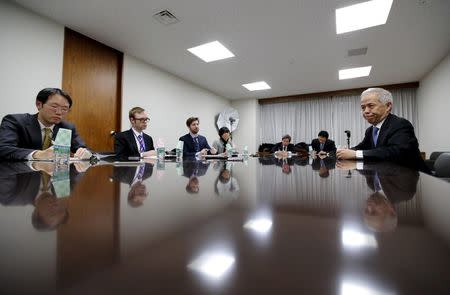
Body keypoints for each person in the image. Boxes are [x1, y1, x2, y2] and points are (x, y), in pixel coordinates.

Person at [336, 88, 428, 172]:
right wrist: (344, 152)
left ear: (388, 106)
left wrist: (355, 154)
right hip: (385, 177)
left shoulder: (400, 124)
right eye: (363, 108)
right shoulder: (370, 130)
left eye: (371, 106)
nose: (366, 111)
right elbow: (362, 147)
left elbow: (396, 152)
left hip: (412, 178)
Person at [0, 88, 91, 161]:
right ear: (39, 104)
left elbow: (84, 149)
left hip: (53, 180)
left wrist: (85, 153)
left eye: (64, 109)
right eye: (54, 106)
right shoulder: (15, 121)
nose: (59, 112)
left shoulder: (67, 128)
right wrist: (38, 154)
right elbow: (3, 149)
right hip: (22, 178)